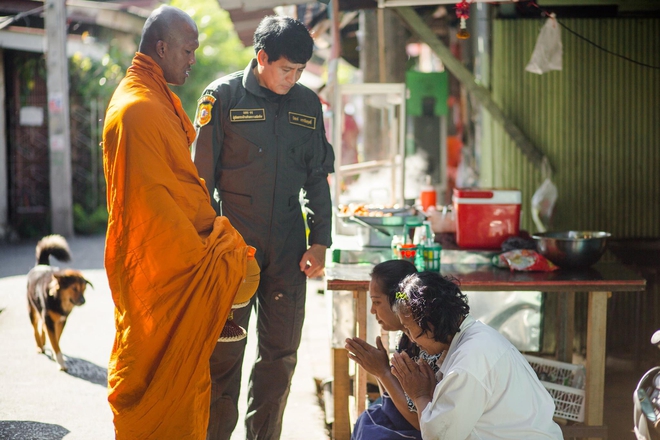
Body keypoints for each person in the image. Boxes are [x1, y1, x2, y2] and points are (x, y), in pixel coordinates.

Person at [102, 6, 258, 439]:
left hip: (163, 256)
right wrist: (212, 250)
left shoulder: (150, 98)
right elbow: (159, 211)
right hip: (158, 267)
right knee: (162, 373)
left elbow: (178, 188)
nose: (192, 60)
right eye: (188, 51)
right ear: (162, 47)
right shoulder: (139, 109)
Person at [190, 15, 335, 440]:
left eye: (300, 71)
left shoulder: (308, 104)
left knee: (280, 356)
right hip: (232, 248)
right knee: (223, 359)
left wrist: (321, 241)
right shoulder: (223, 97)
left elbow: (316, 179)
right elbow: (201, 182)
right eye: (285, 69)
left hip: (290, 249)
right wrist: (208, 247)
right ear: (261, 58)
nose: (292, 78)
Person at [390, 272, 563, 440]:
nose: (410, 338)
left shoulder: (469, 360)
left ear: (430, 321)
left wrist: (420, 395)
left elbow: (439, 437)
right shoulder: (474, 337)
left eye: (408, 328)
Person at [345, 260, 441, 440]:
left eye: (377, 302)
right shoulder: (406, 338)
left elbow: (419, 421)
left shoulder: (428, 344)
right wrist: (382, 371)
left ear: (398, 300)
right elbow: (397, 402)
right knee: (367, 420)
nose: (373, 311)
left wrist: (383, 373)